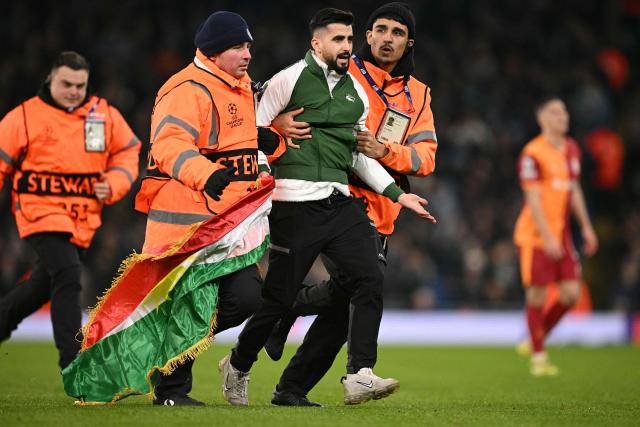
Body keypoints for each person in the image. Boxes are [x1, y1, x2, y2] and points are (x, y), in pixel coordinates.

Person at [218, 7, 435, 408]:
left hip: (362, 208)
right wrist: (275, 128)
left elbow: (420, 157)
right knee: (337, 292)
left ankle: (330, 378)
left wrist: (393, 176)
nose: (387, 38)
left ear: (409, 43)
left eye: (398, 32)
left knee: (356, 292)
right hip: (305, 200)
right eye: (380, 30)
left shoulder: (413, 94)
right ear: (367, 36)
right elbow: (252, 110)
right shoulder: (318, 73)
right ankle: (260, 350)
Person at [133, 11, 270, 406]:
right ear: (213, 52)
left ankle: (163, 353)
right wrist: (202, 174)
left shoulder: (240, 87)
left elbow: (235, 144)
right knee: (194, 304)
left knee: (245, 299)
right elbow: (169, 144)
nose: (247, 54)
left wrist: (269, 140)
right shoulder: (185, 88)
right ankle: (171, 392)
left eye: (248, 46)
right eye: (237, 47)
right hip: (187, 222)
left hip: (227, 222)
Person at [0, 51, 141, 370]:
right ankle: (74, 364)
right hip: (40, 213)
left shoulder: (102, 114)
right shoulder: (24, 117)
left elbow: (128, 150)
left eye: (80, 85)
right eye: (67, 83)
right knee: (68, 274)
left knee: (39, 288)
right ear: (50, 79)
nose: (74, 91)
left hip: (82, 219)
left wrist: (116, 181)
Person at [513, 97, 598, 376]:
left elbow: (574, 190)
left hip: (561, 234)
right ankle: (539, 357)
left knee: (571, 294)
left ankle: (535, 338)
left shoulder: (572, 149)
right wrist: (547, 236)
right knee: (537, 296)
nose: (563, 116)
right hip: (535, 235)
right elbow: (533, 199)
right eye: (555, 111)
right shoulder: (532, 153)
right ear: (542, 119)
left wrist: (585, 226)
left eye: (564, 110)